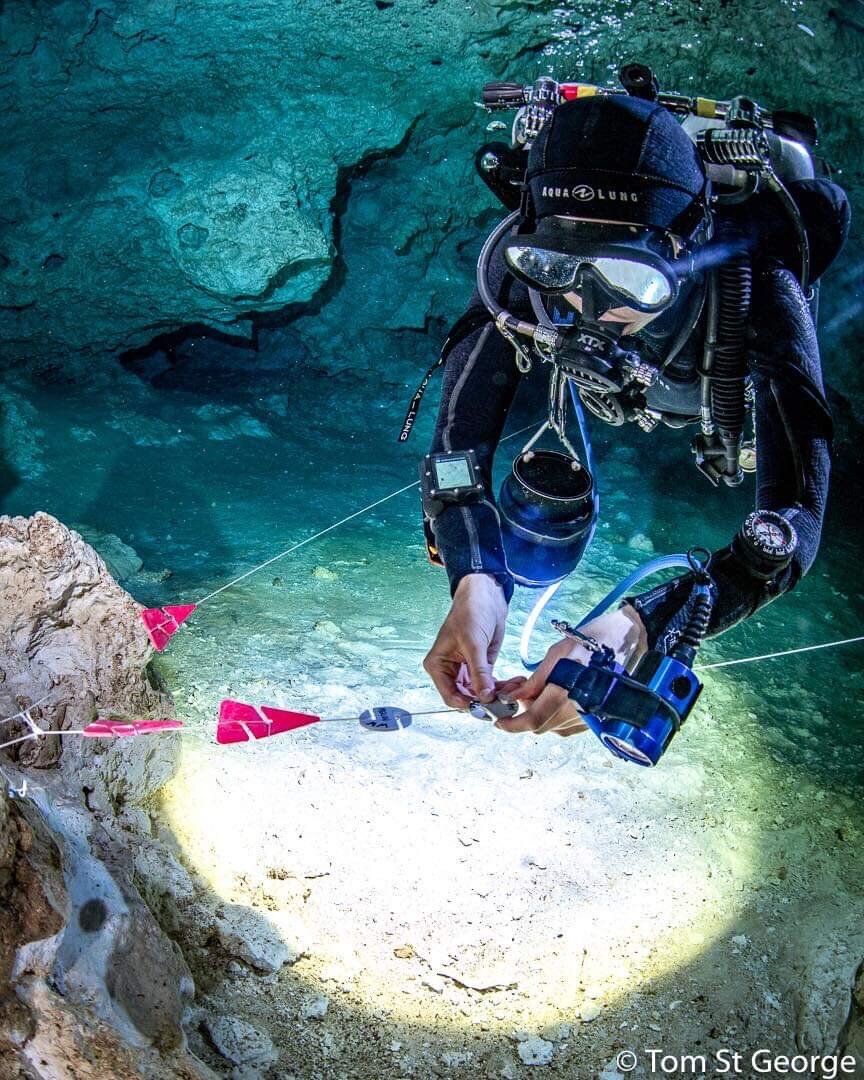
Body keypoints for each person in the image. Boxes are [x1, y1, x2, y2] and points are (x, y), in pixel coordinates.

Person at [419, 86, 850, 739]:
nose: (588, 304)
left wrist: (643, 625)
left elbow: (796, 522)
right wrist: (473, 574)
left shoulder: (758, 288)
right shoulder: (517, 274)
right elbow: (457, 452)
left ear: (685, 248)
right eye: (555, 265)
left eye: (631, 278)